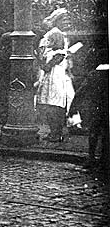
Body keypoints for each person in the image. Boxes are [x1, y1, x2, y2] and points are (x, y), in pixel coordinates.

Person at [34, 10, 74, 142]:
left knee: (55, 104)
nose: (67, 23)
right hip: (54, 75)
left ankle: (56, 133)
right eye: (64, 20)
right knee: (53, 104)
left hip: (56, 75)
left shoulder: (58, 35)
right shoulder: (56, 33)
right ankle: (55, 132)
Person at [69, 62, 109, 171]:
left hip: (96, 108)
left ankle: (91, 158)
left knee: (94, 133)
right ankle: (104, 159)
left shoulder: (94, 74)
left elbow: (81, 92)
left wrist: (73, 107)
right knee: (106, 134)